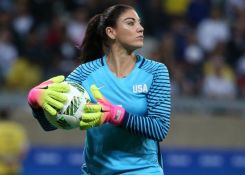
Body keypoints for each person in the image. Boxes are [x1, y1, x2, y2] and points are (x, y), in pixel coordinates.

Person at [27, 4, 171, 175]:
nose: (140, 28)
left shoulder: (155, 71)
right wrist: (36, 104)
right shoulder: (84, 73)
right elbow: (54, 124)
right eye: (131, 23)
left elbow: (159, 128)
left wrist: (115, 115)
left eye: (139, 23)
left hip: (143, 171)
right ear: (111, 32)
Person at [0, 108, 29, 175]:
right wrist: (15, 160)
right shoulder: (17, 129)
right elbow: (24, 148)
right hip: (14, 167)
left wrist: (5, 159)